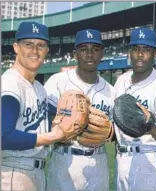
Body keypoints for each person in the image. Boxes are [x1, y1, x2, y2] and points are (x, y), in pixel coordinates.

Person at [1, 21, 72, 191]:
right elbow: (4, 136)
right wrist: (52, 137)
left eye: (40, 45)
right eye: (28, 44)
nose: (34, 51)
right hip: (14, 170)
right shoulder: (10, 83)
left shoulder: (39, 88)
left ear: (47, 51)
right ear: (16, 47)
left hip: (35, 171)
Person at [44, 29, 115, 191]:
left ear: (102, 54)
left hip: (98, 161)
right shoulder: (57, 81)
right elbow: (45, 118)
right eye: (84, 49)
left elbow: (115, 133)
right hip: (65, 159)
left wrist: (110, 133)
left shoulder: (110, 90)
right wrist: (64, 127)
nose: (90, 54)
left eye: (95, 49)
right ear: (75, 53)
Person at [114, 27, 156, 191]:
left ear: (155, 54)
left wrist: (153, 128)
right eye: (136, 49)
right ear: (130, 52)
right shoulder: (121, 81)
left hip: (150, 159)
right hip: (122, 159)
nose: (140, 54)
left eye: (146, 50)